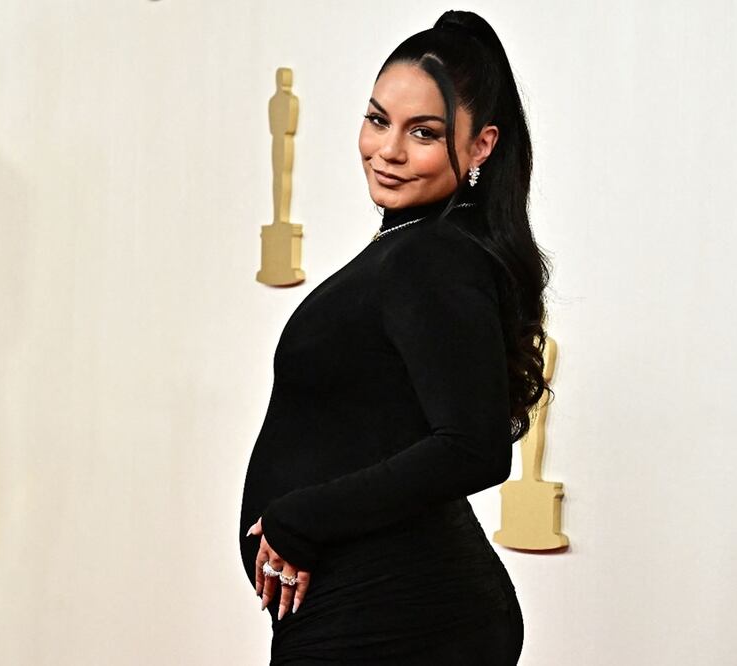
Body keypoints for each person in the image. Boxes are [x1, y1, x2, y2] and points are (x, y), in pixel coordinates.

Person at [239, 9, 550, 664]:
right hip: (374, 607)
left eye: (424, 133)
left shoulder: (434, 257)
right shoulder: (413, 245)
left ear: (481, 146)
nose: (388, 150)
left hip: (397, 616)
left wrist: (304, 516)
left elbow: (475, 447)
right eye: (378, 119)